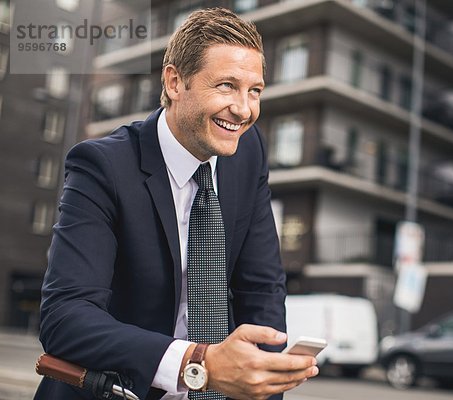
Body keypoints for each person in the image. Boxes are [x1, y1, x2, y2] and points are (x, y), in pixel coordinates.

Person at [34, 7, 318, 400]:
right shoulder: (101, 165)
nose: (243, 109)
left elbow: (262, 288)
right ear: (174, 81)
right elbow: (65, 317)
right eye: (226, 85)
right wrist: (196, 363)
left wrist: (263, 384)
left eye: (254, 91)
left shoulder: (248, 150)